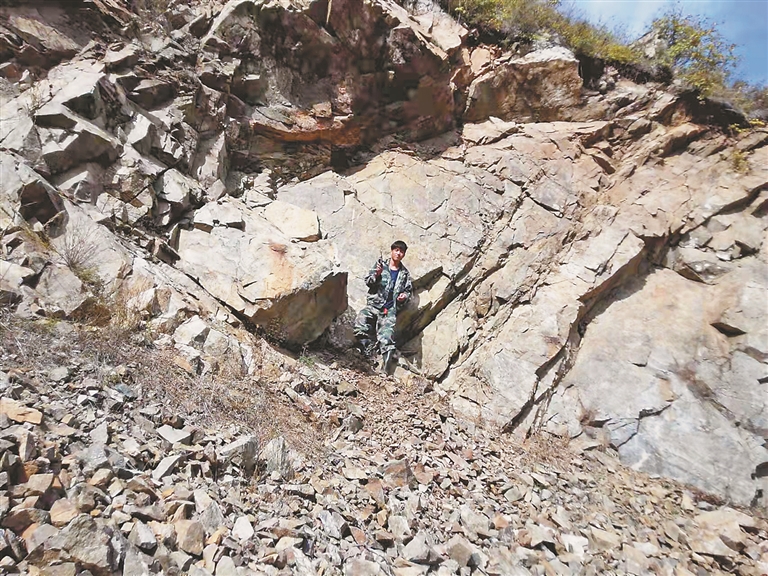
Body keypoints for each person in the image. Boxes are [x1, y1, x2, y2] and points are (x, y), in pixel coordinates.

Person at [354, 240, 413, 372]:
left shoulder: (404, 273)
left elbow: (408, 291)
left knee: (387, 337)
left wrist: (404, 296)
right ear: (391, 251)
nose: (398, 253)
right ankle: (367, 352)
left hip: (389, 310)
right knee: (360, 322)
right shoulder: (381, 265)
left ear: (404, 254)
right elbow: (368, 281)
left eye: (401, 251)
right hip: (374, 305)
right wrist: (377, 274)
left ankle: (385, 372)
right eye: (396, 250)